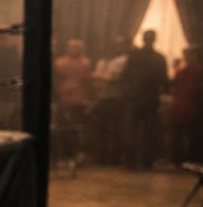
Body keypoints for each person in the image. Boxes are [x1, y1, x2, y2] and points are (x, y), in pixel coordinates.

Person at [122, 29, 168, 170]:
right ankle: (148, 161)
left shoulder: (134, 55)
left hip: (134, 98)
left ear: (143, 39)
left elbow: (125, 76)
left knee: (131, 131)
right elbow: (163, 80)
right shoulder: (160, 58)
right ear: (154, 39)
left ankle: (130, 160)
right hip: (151, 99)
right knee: (150, 132)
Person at [53, 39, 94, 166]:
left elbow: (88, 83)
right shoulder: (59, 63)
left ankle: (76, 154)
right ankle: (63, 155)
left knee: (77, 129)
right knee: (62, 128)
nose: (74, 49)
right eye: (72, 47)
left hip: (79, 101)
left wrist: (88, 98)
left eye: (77, 47)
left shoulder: (86, 63)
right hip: (63, 99)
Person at [92, 36, 131, 165]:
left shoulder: (123, 60)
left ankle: (115, 157)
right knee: (101, 129)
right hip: (102, 98)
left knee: (115, 129)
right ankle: (101, 157)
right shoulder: (102, 62)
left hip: (115, 99)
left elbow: (116, 78)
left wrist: (101, 76)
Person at [167, 46, 203, 166]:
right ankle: (183, 158)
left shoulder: (189, 72)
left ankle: (179, 158)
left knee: (182, 134)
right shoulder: (194, 72)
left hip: (185, 105)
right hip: (186, 105)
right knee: (182, 134)